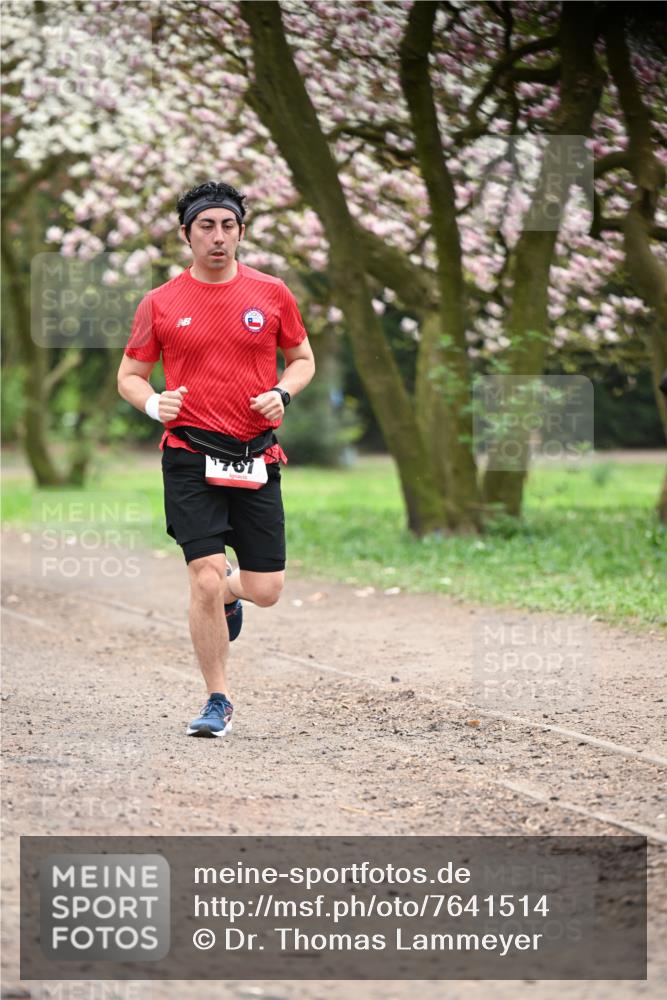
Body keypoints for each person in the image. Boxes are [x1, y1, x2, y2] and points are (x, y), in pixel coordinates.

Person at [117, 181, 315, 738]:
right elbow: (129, 375)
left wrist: (283, 392)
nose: (218, 237)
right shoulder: (160, 302)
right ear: (187, 234)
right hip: (189, 454)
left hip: (256, 454)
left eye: (228, 226)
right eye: (206, 226)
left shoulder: (272, 293)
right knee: (202, 579)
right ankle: (217, 699)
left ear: (241, 232)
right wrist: (155, 403)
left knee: (267, 590)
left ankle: (233, 589)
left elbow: (302, 358)